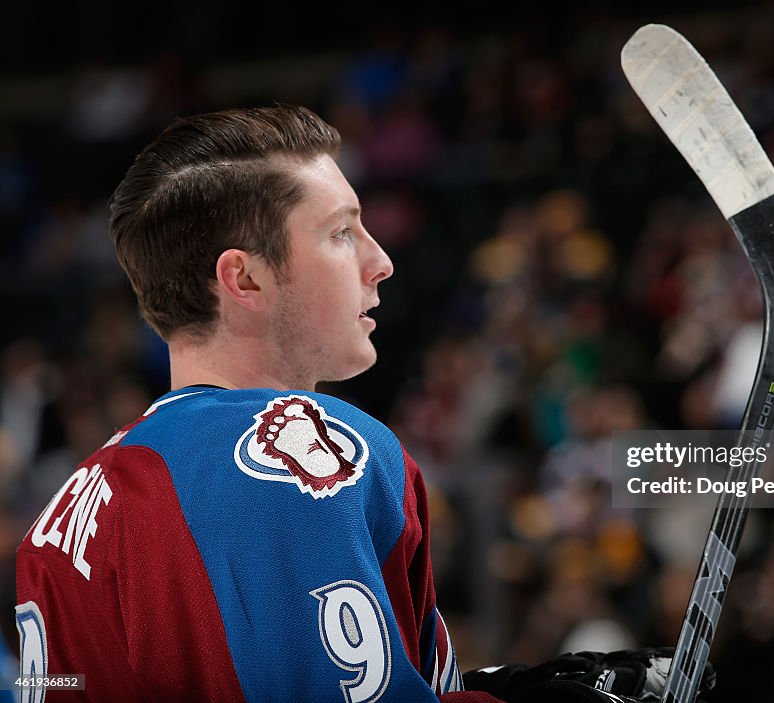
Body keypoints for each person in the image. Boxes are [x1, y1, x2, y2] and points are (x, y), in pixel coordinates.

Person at [15, 105, 711, 702]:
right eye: (342, 232)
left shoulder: (61, 516)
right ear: (246, 279)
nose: (380, 260)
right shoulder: (299, 450)